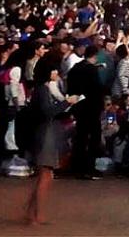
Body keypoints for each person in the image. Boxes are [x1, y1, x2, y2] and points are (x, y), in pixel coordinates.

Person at [24, 55, 80, 225]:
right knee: (46, 174)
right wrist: (67, 103)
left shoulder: (44, 88)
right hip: (45, 133)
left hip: (47, 131)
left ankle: (31, 212)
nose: (57, 73)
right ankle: (36, 214)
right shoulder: (43, 89)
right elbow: (48, 111)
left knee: (46, 174)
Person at [67, 44, 104, 179]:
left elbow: (70, 88)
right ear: (95, 56)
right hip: (92, 108)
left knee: (80, 137)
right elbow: (97, 90)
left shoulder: (75, 68)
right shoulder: (92, 71)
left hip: (78, 107)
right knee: (93, 138)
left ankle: (76, 166)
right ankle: (89, 168)